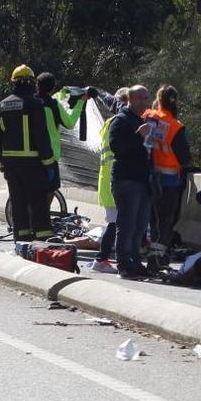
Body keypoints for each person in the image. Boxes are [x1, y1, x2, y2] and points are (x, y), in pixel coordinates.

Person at [0, 65, 57, 241]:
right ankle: (42, 237)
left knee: (18, 202)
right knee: (38, 202)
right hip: (33, 163)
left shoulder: (3, 105)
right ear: (31, 82)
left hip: (11, 165)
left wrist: (1, 164)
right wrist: (49, 163)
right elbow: (41, 136)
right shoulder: (35, 104)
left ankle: (21, 238)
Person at [142, 85, 191, 267]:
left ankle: (150, 255)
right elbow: (184, 157)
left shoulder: (147, 116)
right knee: (166, 220)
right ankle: (159, 257)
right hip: (170, 180)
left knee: (152, 220)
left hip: (148, 176)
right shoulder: (175, 126)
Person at [109, 85, 154, 278]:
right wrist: (138, 136)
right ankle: (124, 264)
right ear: (129, 99)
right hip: (126, 180)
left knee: (140, 225)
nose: (144, 102)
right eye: (140, 98)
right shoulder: (121, 120)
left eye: (146, 98)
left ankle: (135, 261)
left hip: (143, 180)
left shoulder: (141, 120)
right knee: (127, 224)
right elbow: (116, 147)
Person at [86, 88, 128, 274]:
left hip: (107, 179)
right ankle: (101, 259)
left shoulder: (109, 123)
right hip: (114, 180)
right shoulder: (119, 123)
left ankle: (103, 258)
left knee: (114, 222)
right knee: (114, 223)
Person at [35, 72, 89, 196]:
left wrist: (63, 94)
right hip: (50, 154)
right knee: (50, 189)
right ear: (53, 88)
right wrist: (80, 103)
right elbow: (69, 123)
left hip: (31, 154)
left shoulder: (31, 103)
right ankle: (43, 214)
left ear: (37, 86)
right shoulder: (53, 105)